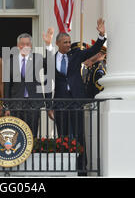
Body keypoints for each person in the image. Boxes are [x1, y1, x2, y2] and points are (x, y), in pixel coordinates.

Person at [43, 18, 107, 176]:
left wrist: (101, 35)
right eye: (65, 42)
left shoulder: (76, 54)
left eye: (69, 41)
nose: (67, 44)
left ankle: (81, 169)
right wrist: (49, 106)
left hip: (76, 101)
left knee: (78, 135)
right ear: (58, 43)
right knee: (63, 135)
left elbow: (93, 50)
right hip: (60, 102)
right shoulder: (51, 58)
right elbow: (46, 79)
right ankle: (65, 168)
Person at [3, 33, 45, 137]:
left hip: (33, 102)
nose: (25, 46)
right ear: (18, 46)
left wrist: (48, 45)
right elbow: (7, 86)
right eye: (22, 44)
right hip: (16, 103)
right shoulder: (10, 62)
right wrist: (7, 106)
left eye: (27, 44)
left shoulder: (38, 58)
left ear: (31, 46)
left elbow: (50, 64)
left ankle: (32, 153)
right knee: (17, 133)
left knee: (32, 132)